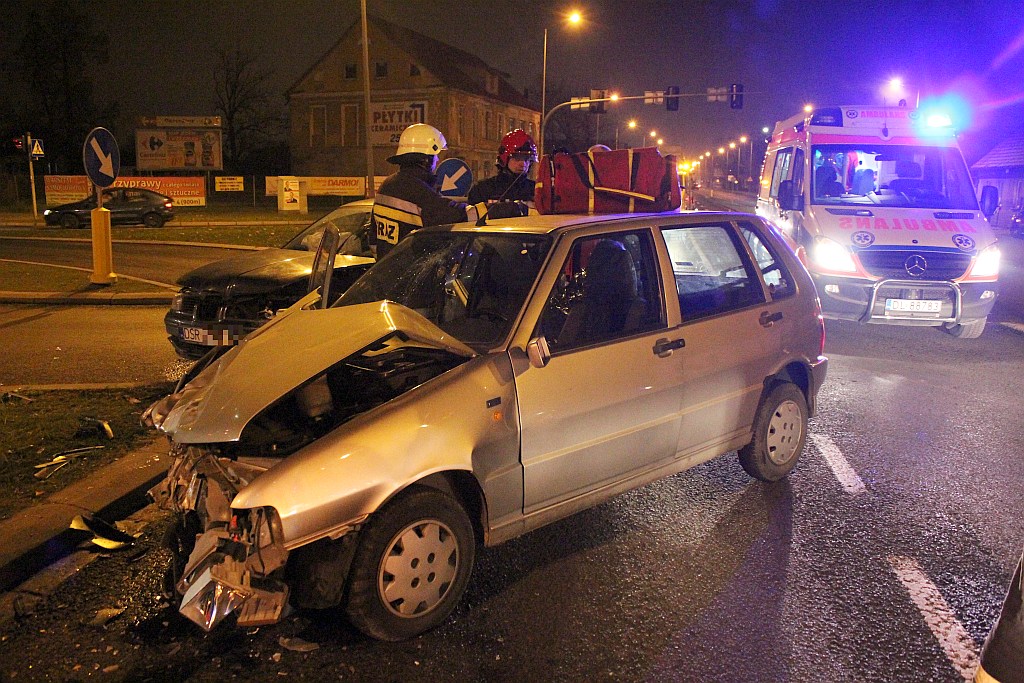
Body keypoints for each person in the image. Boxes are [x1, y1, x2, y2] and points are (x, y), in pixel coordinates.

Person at [371, 123, 487, 260]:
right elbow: (456, 215)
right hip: (411, 270)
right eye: (435, 156)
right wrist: (495, 210)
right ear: (426, 159)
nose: (437, 160)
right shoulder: (416, 190)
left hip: (386, 268)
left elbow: (373, 241)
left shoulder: (387, 185)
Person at [467, 129, 537, 205]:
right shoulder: (483, 189)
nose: (523, 163)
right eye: (517, 157)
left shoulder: (537, 191)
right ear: (504, 159)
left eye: (527, 158)